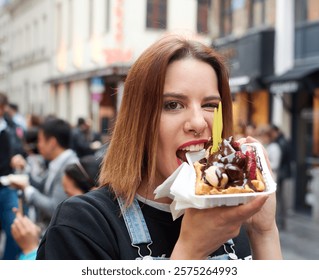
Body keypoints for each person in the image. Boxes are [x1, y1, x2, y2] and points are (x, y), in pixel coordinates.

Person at [36, 35, 282, 260]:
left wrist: (264, 231)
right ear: (138, 120)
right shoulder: (82, 226)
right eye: (173, 105)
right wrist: (190, 251)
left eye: (210, 105)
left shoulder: (231, 221)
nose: (198, 122)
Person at [11, 155, 100, 260]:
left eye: (68, 195)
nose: (64, 202)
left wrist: (30, 250)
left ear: (93, 193)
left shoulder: (88, 240)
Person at [9, 118, 78, 231]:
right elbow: (41, 185)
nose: (38, 145)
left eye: (40, 140)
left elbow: (54, 208)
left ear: (52, 143)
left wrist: (28, 190)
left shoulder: (68, 167)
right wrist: (25, 169)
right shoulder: (58, 162)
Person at [0, 92, 24, 259]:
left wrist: (18, 158)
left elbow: (19, 149)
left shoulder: (12, 126)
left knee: (13, 228)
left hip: (7, 184)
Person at [270, 124, 292, 230]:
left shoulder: (280, 143)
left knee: (280, 198)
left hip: (281, 173)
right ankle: (281, 221)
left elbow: (279, 161)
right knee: (280, 198)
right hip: (283, 172)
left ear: (275, 132)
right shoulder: (282, 141)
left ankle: (280, 221)